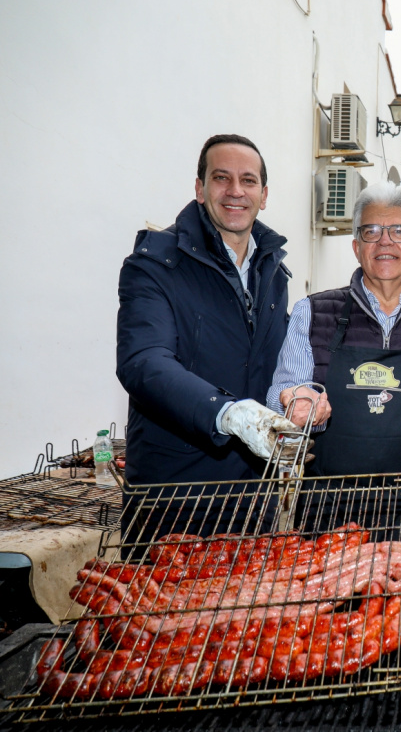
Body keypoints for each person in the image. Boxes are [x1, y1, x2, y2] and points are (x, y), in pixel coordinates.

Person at [267, 182, 401, 574]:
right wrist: (295, 403)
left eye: (399, 231)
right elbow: (278, 397)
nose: (385, 242)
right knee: (327, 631)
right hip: (327, 516)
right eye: (371, 231)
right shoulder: (312, 314)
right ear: (356, 246)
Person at [117, 134, 297, 541]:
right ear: (200, 188)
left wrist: (305, 393)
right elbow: (144, 362)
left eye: (248, 181)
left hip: (255, 500)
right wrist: (226, 412)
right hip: (176, 504)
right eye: (221, 178)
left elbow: (282, 359)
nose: (236, 191)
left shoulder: (273, 270)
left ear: (264, 195)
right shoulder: (155, 265)